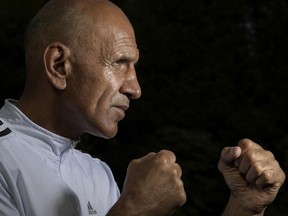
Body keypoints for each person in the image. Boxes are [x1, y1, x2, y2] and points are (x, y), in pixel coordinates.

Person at [0, 0, 285, 215]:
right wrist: (133, 209)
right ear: (59, 65)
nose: (135, 89)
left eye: (134, 67)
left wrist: (244, 207)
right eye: (119, 63)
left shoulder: (97, 173)